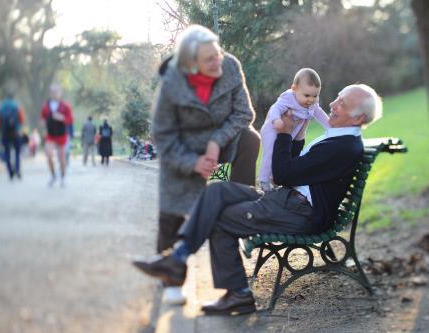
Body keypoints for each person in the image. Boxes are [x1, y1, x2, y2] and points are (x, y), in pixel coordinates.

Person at [133, 84, 383, 315]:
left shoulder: (341, 147)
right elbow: (299, 169)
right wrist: (296, 132)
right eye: (337, 98)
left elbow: (284, 173)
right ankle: (178, 257)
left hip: (300, 213)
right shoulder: (339, 138)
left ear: (358, 118)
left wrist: (284, 134)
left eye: (342, 104)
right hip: (288, 201)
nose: (332, 105)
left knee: (220, 218)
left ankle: (237, 294)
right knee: (217, 191)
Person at [150, 25, 260, 304]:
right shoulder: (172, 83)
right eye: (209, 59)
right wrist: (191, 162)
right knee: (172, 209)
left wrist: (216, 140)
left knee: (249, 138)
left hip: (223, 141)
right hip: (184, 149)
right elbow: (162, 135)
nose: (218, 61)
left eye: (218, 53)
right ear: (190, 65)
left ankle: (241, 208)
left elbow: (244, 113)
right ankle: (172, 277)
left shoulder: (230, 66)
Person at [259, 68, 329, 191]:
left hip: (291, 131)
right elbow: (276, 108)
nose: (311, 99)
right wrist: (276, 119)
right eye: (307, 95)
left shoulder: (312, 103)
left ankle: (274, 178)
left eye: (315, 95)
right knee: (270, 153)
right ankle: (263, 180)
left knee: (286, 155)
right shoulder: (289, 98)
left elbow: (319, 113)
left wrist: (330, 126)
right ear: (294, 89)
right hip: (273, 128)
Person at [41, 83, 74, 187]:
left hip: (61, 134)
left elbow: (71, 119)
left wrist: (62, 118)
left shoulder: (65, 106)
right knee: (49, 155)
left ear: (60, 93)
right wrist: (42, 124)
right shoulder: (46, 106)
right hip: (50, 135)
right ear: (50, 93)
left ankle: (63, 178)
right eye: (52, 91)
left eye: (56, 91)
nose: (54, 93)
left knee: (62, 158)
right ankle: (53, 175)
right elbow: (42, 117)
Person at [0, 93, 25, 179]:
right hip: (16, 133)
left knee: (7, 152)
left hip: (5, 133)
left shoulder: (1, 107)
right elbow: (22, 120)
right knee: (17, 152)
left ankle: (10, 170)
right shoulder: (17, 106)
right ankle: (17, 170)